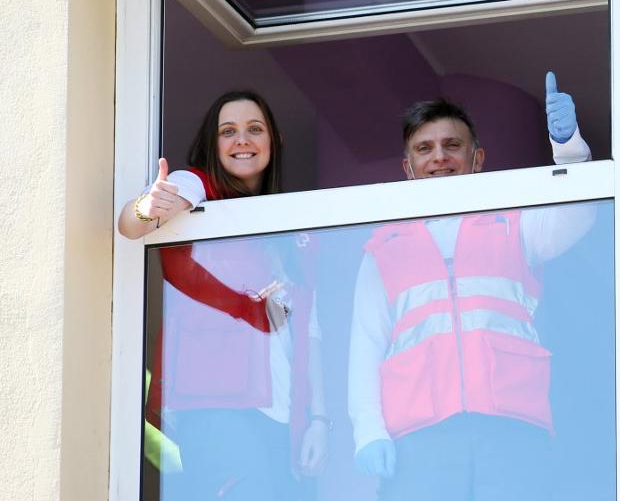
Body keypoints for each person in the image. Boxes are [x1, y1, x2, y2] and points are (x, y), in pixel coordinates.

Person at [348, 72, 595, 501]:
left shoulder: (514, 224)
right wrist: (367, 431)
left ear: (477, 159)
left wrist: (570, 149)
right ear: (408, 168)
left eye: (452, 145)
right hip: (419, 437)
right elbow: (365, 348)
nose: (439, 157)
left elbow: (578, 216)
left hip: (510, 427)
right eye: (424, 149)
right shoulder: (383, 249)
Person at [118, 90, 329, 500]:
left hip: (282, 415)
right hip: (216, 407)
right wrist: (148, 205)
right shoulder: (195, 186)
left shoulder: (290, 226)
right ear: (213, 145)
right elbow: (131, 225)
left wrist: (318, 418)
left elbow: (310, 333)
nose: (242, 140)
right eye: (228, 131)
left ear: (274, 141)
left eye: (254, 129)